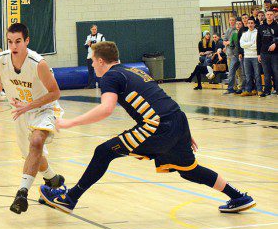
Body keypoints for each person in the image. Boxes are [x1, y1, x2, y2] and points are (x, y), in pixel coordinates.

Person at [39, 41, 255, 214]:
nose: (92, 65)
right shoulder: (134, 70)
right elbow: (165, 100)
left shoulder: (110, 77)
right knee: (190, 171)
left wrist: (69, 122)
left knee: (103, 152)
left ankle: (69, 199)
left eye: (93, 61)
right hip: (176, 120)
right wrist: (183, 133)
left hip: (157, 126)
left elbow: (106, 109)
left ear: (102, 61)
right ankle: (238, 196)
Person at [0, 23, 65, 214]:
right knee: (34, 156)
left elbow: (55, 92)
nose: (13, 46)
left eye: (18, 41)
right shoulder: (1, 60)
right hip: (21, 112)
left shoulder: (38, 64)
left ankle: (21, 194)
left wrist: (30, 105)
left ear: (26, 41)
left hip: (44, 108)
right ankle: (52, 179)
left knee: (37, 142)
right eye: (10, 42)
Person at [257, 11, 278, 97]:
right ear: (265, 16)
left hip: (275, 53)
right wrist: (258, 54)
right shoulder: (261, 27)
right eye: (268, 15)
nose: (269, 16)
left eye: (271, 14)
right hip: (264, 53)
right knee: (266, 73)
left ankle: (277, 89)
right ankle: (267, 90)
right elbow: (258, 41)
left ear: (274, 16)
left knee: (276, 72)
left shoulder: (277, 26)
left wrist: (276, 44)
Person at [240, 18, 262, 96]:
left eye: (252, 23)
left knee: (257, 74)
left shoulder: (257, 33)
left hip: (255, 56)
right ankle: (249, 90)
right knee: (248, 74)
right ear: (247, 24)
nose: (250, 24)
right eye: (249, 23)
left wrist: (247, 45)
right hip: (246, 57)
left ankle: (259, 89)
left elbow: (257, 45)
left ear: (254, 24)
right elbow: (242, 45)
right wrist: (251, 43)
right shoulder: (244, 34)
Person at [225, 19, 242, 94]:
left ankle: (241, 87)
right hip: (235, 55)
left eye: (239, 24)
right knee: (231, 71)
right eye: (237, 24)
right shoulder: (234, 34)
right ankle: (230, 88)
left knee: (241, 72)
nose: (238, 25)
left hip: (243, 55)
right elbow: (231, 45)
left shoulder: (244, 32)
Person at [235, 14, 249, 94]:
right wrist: (240, 52)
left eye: (246, 18)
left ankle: (251, 88)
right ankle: (244, 88)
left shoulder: (251, 28)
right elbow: (238, 42)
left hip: (251, 53)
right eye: (243, 18)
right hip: (243, 54)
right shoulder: (241, 30)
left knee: (251, 73)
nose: (244, 19)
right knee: (244, 72)